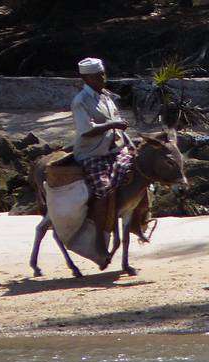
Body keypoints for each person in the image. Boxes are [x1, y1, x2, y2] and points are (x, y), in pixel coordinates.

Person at [71, 57, 134, 258]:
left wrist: (130, 143)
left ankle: (139, 223)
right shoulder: (81, 101)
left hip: (114, 150)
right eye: (98, 76)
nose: (102, 78)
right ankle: (99, 239)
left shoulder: (106, 97)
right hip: (93, 153)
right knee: (104, 190)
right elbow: (86, 131)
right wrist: (113, 125)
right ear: (86, 78)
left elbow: (116, 123)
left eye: (103, 74)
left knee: (142, 173)